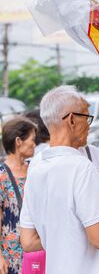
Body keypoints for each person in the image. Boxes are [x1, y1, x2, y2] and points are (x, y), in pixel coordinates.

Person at [19, 86, 99, 274]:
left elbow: (28, 241)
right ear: (71, 120)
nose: (89, 125)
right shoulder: (81, 166)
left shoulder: (36, 168)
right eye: (86, 117)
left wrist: (65, 238)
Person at [0, 117, 37, 274]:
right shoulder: (2, 176)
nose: (35, 144)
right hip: (12, 256)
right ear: (18, 141)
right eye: (32, 140)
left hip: (39, 248)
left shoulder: (36, 169)